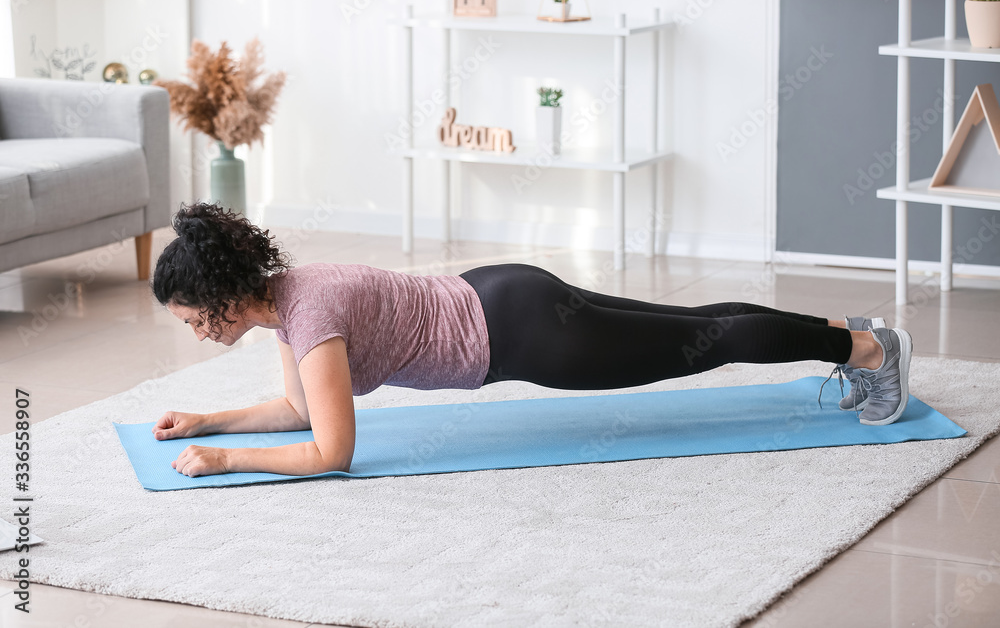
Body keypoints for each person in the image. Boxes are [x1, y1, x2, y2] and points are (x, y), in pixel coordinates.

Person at [151, 203, 912, 478]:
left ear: (218, 297)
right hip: (504, 291)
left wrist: (225, 459)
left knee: (706, 338)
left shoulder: (309, 320)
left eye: (190, 315)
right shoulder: (293, 298)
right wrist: (208, 421)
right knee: (698, 322)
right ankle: (855, 336)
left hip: (528, 335)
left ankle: (874, 355)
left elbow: (331, 451)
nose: (192, 329)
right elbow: (299, 409)